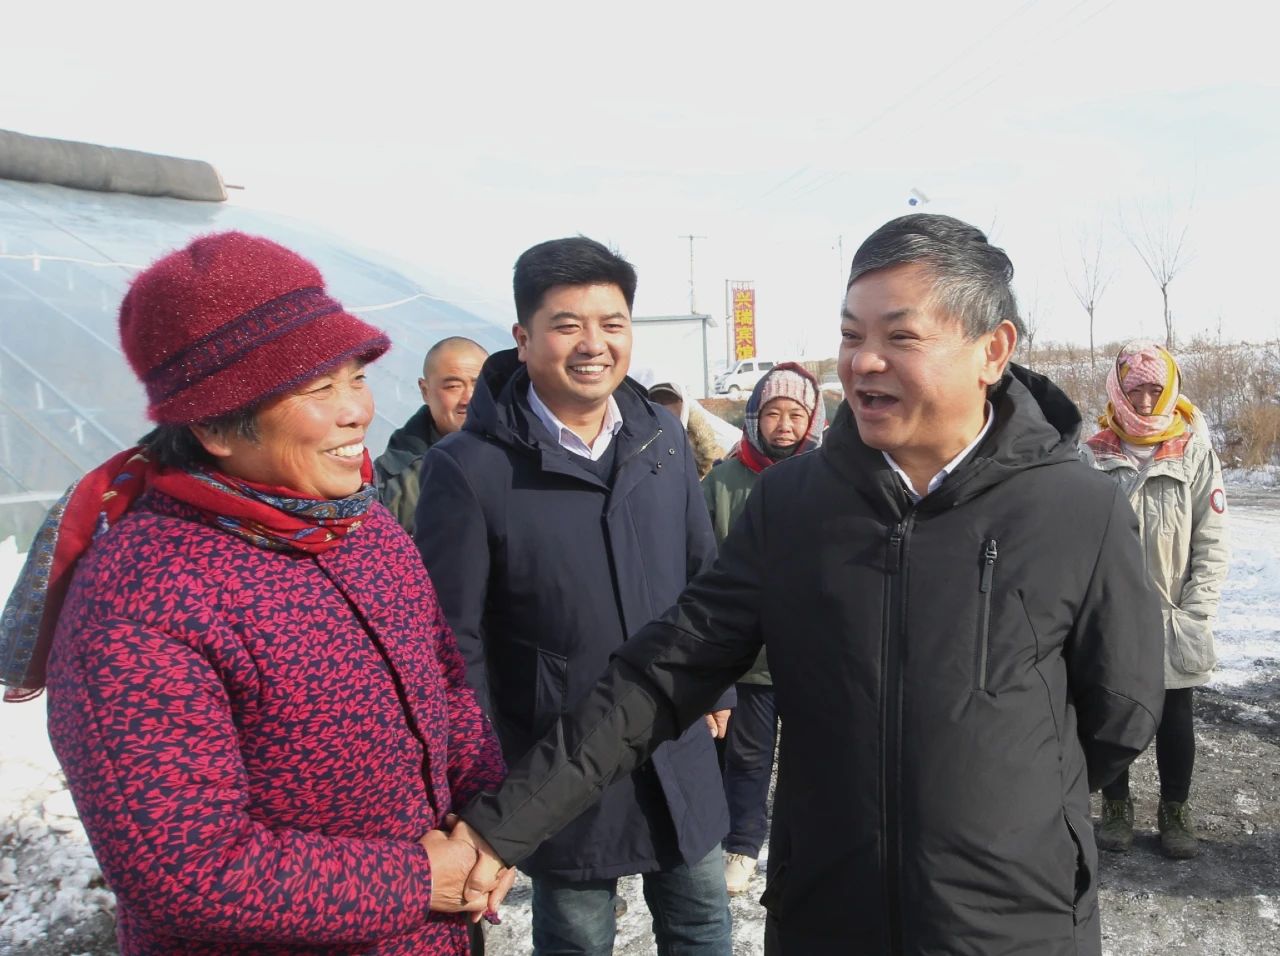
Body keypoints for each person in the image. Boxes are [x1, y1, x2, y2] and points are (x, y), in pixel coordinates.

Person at [448, 214, 1166, 955]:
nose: (864, 362)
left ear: (993, 350)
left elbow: (1119, 712)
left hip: (1014, 925)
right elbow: (658, 678)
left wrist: (998, 804)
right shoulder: (793, 506)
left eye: (901, 336)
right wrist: (499, 829)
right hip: (827, 913)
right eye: (852, 335)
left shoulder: (1077, 509)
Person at [0, 232, 508, 955]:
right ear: (214, 424)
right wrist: (421, 878)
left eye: (356, 377)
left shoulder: (363, 529)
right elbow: (186, 872)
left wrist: (485, 824)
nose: (357, 411)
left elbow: (446, 688)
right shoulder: (141, 600)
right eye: (318, 389)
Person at [415, 236, 734, 956]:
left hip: (672, 730)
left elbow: (703, 573)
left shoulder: (661, 437)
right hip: (552, 751)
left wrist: (718, 688)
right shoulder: (470, 467)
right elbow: (453, 640)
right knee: (578, 937)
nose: (594, 345)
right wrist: (480, 767)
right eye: (567, 325)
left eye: (612, 324)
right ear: (524, 338)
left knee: (701, 923)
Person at [1085, 342, 1229, 859]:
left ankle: (1174, 811)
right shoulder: (1093, 454)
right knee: (1111, 712)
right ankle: (1116, 807)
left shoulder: (1193, 451)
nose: (1144, 400)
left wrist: (1197, 612)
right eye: (1134, 390)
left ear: (1169, 389)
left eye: (1153, 388)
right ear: (1117, 391)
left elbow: (1212, 541)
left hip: (1173, 614)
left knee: (1174, 716)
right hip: (1112, 614)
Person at [701, 362, 825, 896]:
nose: (784, 424)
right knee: (747, 758)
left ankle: (810, 845)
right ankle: (743, 844)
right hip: (748, 657)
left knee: (813, 757)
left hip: (813, 655)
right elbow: (703, 564)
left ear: (812, 420)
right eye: (773, 412)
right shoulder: (722, 482)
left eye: (796, 413)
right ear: (754, 418)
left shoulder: (832, 478)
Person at [375, 336, 488, 534]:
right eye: (453, 386)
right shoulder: (394, 481)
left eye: (478, 384)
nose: (468, 398)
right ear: (425, 391)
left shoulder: (526, 451)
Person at [647, 380, 727, 478]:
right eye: (655, 400)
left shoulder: (707, 450)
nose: (663, 407)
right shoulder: (641, 448)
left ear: (683, 404)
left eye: (670, 399)